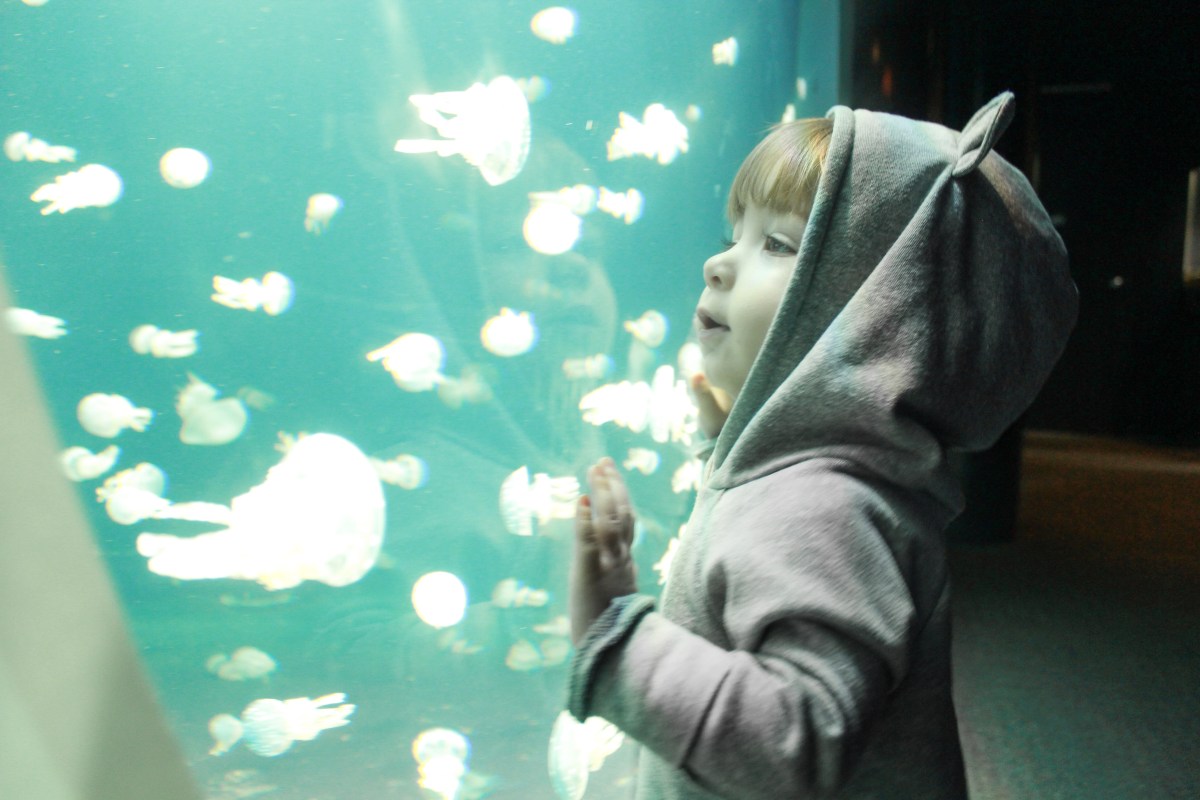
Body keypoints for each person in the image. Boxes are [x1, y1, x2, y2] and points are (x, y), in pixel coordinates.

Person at [565, 91, 1078, 799]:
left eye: (777, 244)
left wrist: (617, 643)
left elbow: (793, 745)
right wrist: (731, 436)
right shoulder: (822, 484)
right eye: (733, 235)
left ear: (880, 320)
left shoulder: (821, 509)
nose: (717, 264)